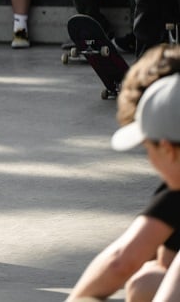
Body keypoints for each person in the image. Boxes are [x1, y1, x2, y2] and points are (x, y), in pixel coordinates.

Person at [67, 44, 180, 302]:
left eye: (146, 147)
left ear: (167, 148)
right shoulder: (175, 192)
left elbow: (122, 263)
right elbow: (122, 258)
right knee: (150, 279)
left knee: (148, 281)